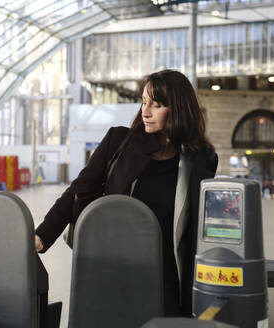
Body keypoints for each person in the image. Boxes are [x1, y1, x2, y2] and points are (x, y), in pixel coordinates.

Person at [34, 70, 218, 317]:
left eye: (156, 104)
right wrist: (42, 235)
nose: (146, 111)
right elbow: (79, 189)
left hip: (170, 283)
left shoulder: (201, 160)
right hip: (115, 270)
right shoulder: (119, 142)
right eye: (143, 102)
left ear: (178, 108)